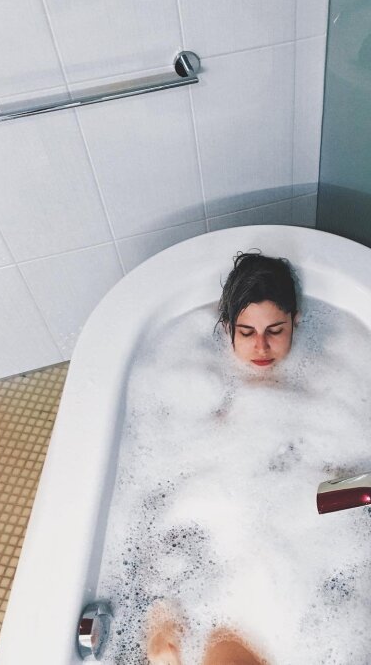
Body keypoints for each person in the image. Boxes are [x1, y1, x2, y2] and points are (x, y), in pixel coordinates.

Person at [146, 252, 298, 665]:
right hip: (218, 542)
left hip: (286, 539)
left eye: (275, 331)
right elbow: (167, 486)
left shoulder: (322, 394)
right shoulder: (206, 391)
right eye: (246, 332)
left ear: (296, 322)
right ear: (228, 328)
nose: (261, 346)